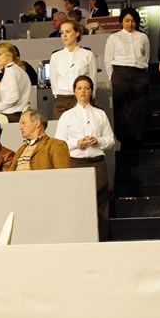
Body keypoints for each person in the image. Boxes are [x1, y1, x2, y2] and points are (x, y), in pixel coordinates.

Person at [55, 76, 115, 240]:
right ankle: (79, 238)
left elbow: (111, 141)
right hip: (76, 163)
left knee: (101, 202)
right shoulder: (67, 116)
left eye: (87, 88)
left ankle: (102, 238)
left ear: (91, 91)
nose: (83, 91)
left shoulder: (100, 114)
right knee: (76, 202)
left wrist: (98, 141)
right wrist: (77, 143)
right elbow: (59, 144)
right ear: (74, 91)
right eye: (80, 88)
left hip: (97, 163)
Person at [104, 7, 150, 149]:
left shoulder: (143, 37)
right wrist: (113, 78)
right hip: (120, 75)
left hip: (139, 74)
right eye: (127, 20)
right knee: (121, 107)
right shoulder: (114, 37)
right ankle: (123, 138)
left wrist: (143, 72)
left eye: (133, 21)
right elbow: (108, 60)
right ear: (121, 21)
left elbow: (146, 57)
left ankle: (137, 139)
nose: (130, 24)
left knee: (140, 107)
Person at [49, 20, 97, 119]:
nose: (64, 35)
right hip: (62, 100)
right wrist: (57, 95)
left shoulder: (87, 54)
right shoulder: (56, 56)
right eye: (62, 32)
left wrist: (89, 97)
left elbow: (92, 79)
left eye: (68, 31)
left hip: (82, 99)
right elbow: (54, 80)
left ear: (77, 33)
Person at [0, 42, 30, 123]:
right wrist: (1, 87)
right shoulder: (17, 70)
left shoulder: (10, 71)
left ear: (9, 55)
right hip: (19, 113)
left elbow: (13, 97)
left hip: (12, 114)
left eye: (0, 54)